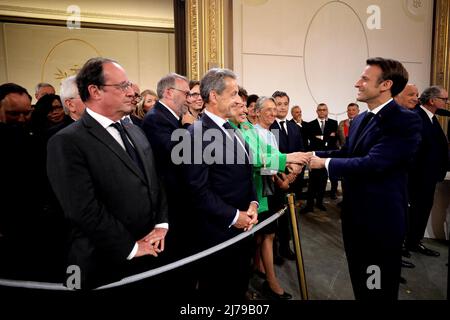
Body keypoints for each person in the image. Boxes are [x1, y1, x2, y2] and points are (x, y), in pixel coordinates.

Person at [47, 57, 169, 290]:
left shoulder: (135, 130)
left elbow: (155, 180)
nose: (132, 91)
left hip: (151, 255)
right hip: (103, 264)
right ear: (95, 91)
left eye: (130, 84)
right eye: (122, 86)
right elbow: (82, 209)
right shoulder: (67, 142)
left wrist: (161, 224)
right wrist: (131, 248)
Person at [309, 57, 422, 300]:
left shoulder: (404, 120)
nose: (357, 83)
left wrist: (323, 163)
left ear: (386, 85)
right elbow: (346, 154)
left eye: (364, 79)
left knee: (378, 290)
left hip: (381, 223)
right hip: (355, 219)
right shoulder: (362, 119)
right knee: (362, 286)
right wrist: (308, 155)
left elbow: (375, 163)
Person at [183, 68, 258, 300]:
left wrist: (253, 203)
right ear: (214, 96)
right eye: (233, 93)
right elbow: (197, 191)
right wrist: (236, 216)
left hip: (242, 233)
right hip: (217, 237)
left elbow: (246, 174)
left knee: (238, 287)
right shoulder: (195, 134)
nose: (239, 100)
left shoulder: (233, 130)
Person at [141, 73, 197, 297]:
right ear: (168, 92)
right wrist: (188, 128)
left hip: (180, 201)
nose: (189, 99)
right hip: (170, 203)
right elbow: (177, 155)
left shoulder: (170, 118)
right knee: (174, 263)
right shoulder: (156, 119)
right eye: (186, 94)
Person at [404, 86, 448, 257]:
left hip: (428, 176)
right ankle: (406, 244)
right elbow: (413, 150)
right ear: (432, 100)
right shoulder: (416, 117)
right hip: (417, 177)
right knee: (413, 211)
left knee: (422, 210)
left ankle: (414, 242)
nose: (446, 102)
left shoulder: (430, 117)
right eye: (444, 99)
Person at [269, 91, 305, 262]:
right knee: (276, 216)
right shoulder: (270, 128)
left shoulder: (294, 127)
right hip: (277, 180)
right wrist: (284, 177)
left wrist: (296, 172)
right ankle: (275, 249)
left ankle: (286, 246)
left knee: (290, 216)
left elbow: (301, 151)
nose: (282, 107)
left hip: (293, 179)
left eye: (285, 104)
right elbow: (272, 155)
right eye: (278, 104)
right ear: (273, 106)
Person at [303, 103, 338, 210]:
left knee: (323, 181)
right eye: (320, 110)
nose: (322, 111)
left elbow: (334, 140)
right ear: (317, 111)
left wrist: (320, 137)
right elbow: (310, 140)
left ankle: (319, 203)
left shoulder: (333, 123)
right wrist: (327, 137)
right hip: (315, 156)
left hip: (327, 157)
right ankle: (309, 205)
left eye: (324, 110)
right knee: (312, 182)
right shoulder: (310, 124)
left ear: (327, 111)